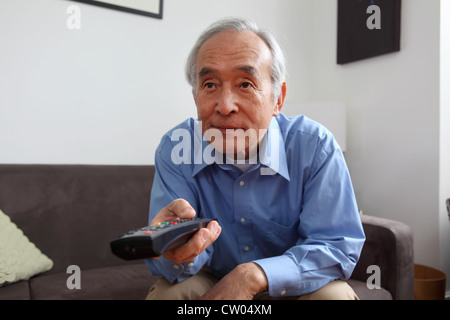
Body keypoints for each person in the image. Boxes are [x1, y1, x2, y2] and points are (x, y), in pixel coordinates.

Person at [145, 17, 365, 300]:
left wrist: (254, 275)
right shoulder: (176, 148)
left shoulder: (314, 146)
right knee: (170, 294)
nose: (224, 106)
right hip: (210, 277)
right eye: (210, 85)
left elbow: (336, 246)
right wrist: (175, 251)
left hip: (295, 281)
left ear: (278, 99)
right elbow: (167, 260)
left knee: (333, 297)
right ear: (196, 95)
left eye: (245, 84)